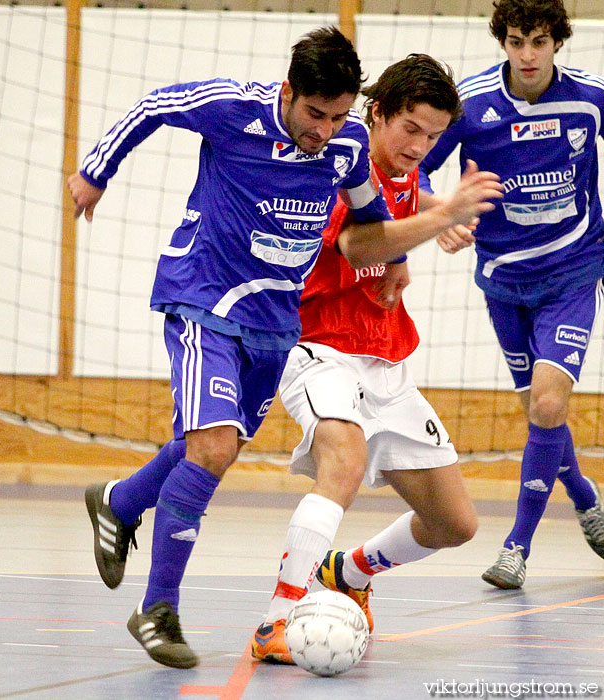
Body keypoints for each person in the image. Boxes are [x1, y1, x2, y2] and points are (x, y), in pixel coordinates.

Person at [69, 28, 501, 669]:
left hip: (277, 324)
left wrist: (398, 260)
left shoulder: (349, 145)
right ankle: (162, 608)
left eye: (337, 116)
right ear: (289, 91)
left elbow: (369, 220)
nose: (323, 130)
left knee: (218, 448)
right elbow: (155, 104)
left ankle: (122, 500)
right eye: (314, 114)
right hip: (206, 296)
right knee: (216, 450)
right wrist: (94, 173)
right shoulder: (235, 111)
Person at [250, 54, 486, 665]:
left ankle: (348, 572)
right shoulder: (338, 160)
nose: (420, 145)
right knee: (345, 462)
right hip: (318, 346)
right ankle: (277, 617)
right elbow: (359, 244)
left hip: (385, 357)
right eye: (411, 129)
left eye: (434, 136)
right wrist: (443, 218)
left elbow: (404, 193)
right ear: (376, 115)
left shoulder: (403, 167)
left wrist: (433, 214)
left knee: (455, 523)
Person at [419, 0, 604, 591]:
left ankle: (516, 548)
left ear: (558, 43)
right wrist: (440, 214)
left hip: (574, 270)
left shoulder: (589, 99)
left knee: (549, 405)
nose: (528, 54)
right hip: (503, 279)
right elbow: (412, 171)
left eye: (540, 42)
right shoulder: (469, 105)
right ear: (503, 40)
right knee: (538, 413)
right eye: (518, 41)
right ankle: (586, 498)